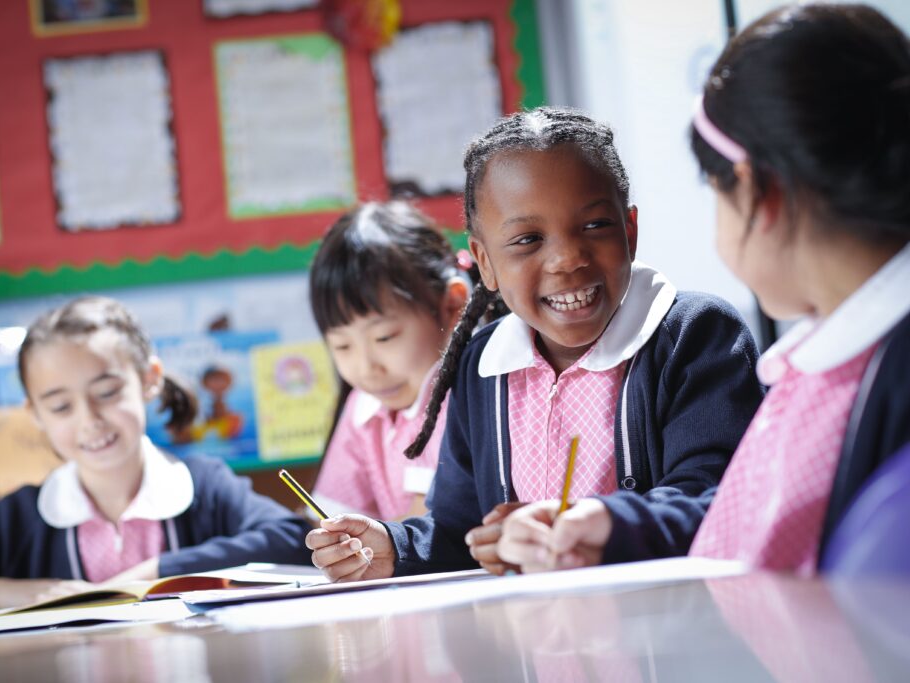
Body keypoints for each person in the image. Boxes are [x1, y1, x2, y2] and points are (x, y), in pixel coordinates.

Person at [501, 3, 910, 576]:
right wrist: (618, 527)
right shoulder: (839, 360)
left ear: (754, 193)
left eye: (714, 194)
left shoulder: (882, 374)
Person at [307, 108, 764, 581]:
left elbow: (717, 499)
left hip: (664, 638)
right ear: (484, 261)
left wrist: (599, 527)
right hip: (540, 644)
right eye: (527, 239)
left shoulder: (695, 335)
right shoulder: (482, 366)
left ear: (629, 230)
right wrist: (396, 547)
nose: (567, 259)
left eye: (594, 226)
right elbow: (459, 529)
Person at [0, 296, 312, 617]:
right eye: (62, 406)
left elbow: (294, 538)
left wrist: (159, 572)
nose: (90, 421)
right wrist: (3, 592)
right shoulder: (17, 519)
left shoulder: (203, 486)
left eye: (108, 393)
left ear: (149, 379)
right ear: (35, 413)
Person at [309, 201, 470, 521]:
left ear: (452, 305)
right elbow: (331, 515)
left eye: (384, 337)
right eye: (342, 346)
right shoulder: (364, 405)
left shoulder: (463, 395)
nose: (367, 368)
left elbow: (422, 523)